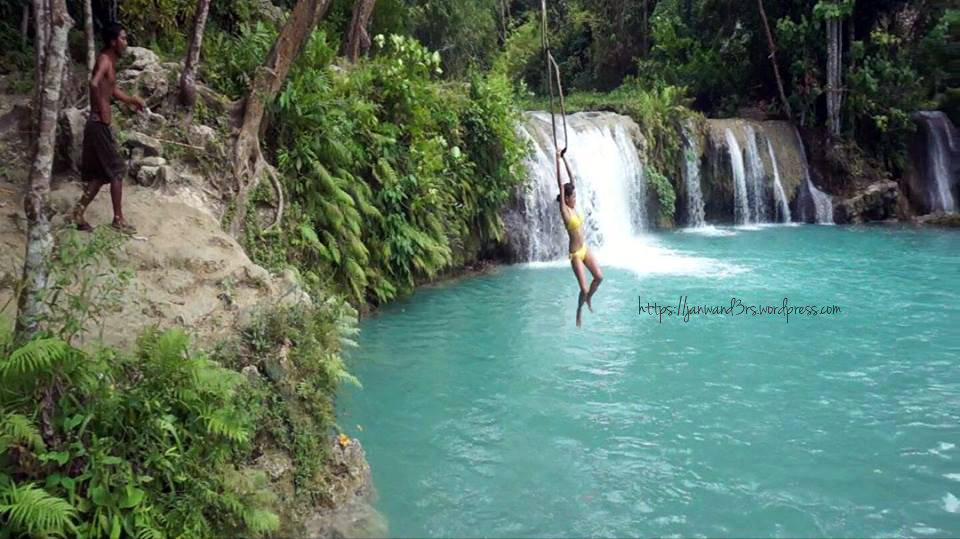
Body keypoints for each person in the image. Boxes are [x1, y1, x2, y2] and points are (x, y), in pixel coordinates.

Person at [71, 22, 144, 234]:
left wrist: (130, 100)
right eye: (123, 38)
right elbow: (94, 83)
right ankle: (118, 220)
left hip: (97, 124)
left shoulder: (110, 60)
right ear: (113, 41)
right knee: (118, 171)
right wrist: (101, 108)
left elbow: (109, 89)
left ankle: (77, 213)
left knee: (101, 175)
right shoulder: (104, 59)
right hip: (98, 124)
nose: (126, 42)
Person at [555, 149, 602, 327]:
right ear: (566, 199)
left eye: (575, 196)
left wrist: (564, 158)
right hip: (575, 254)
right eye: (573, 197)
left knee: (599, 277)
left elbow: (572, 179)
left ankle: (589, 298)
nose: (575, 198)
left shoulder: (574, 207)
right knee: (584, 288)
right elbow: (561, 184)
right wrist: (556, 159)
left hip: (585, 249)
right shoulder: (565, 211)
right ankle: (579, 309)